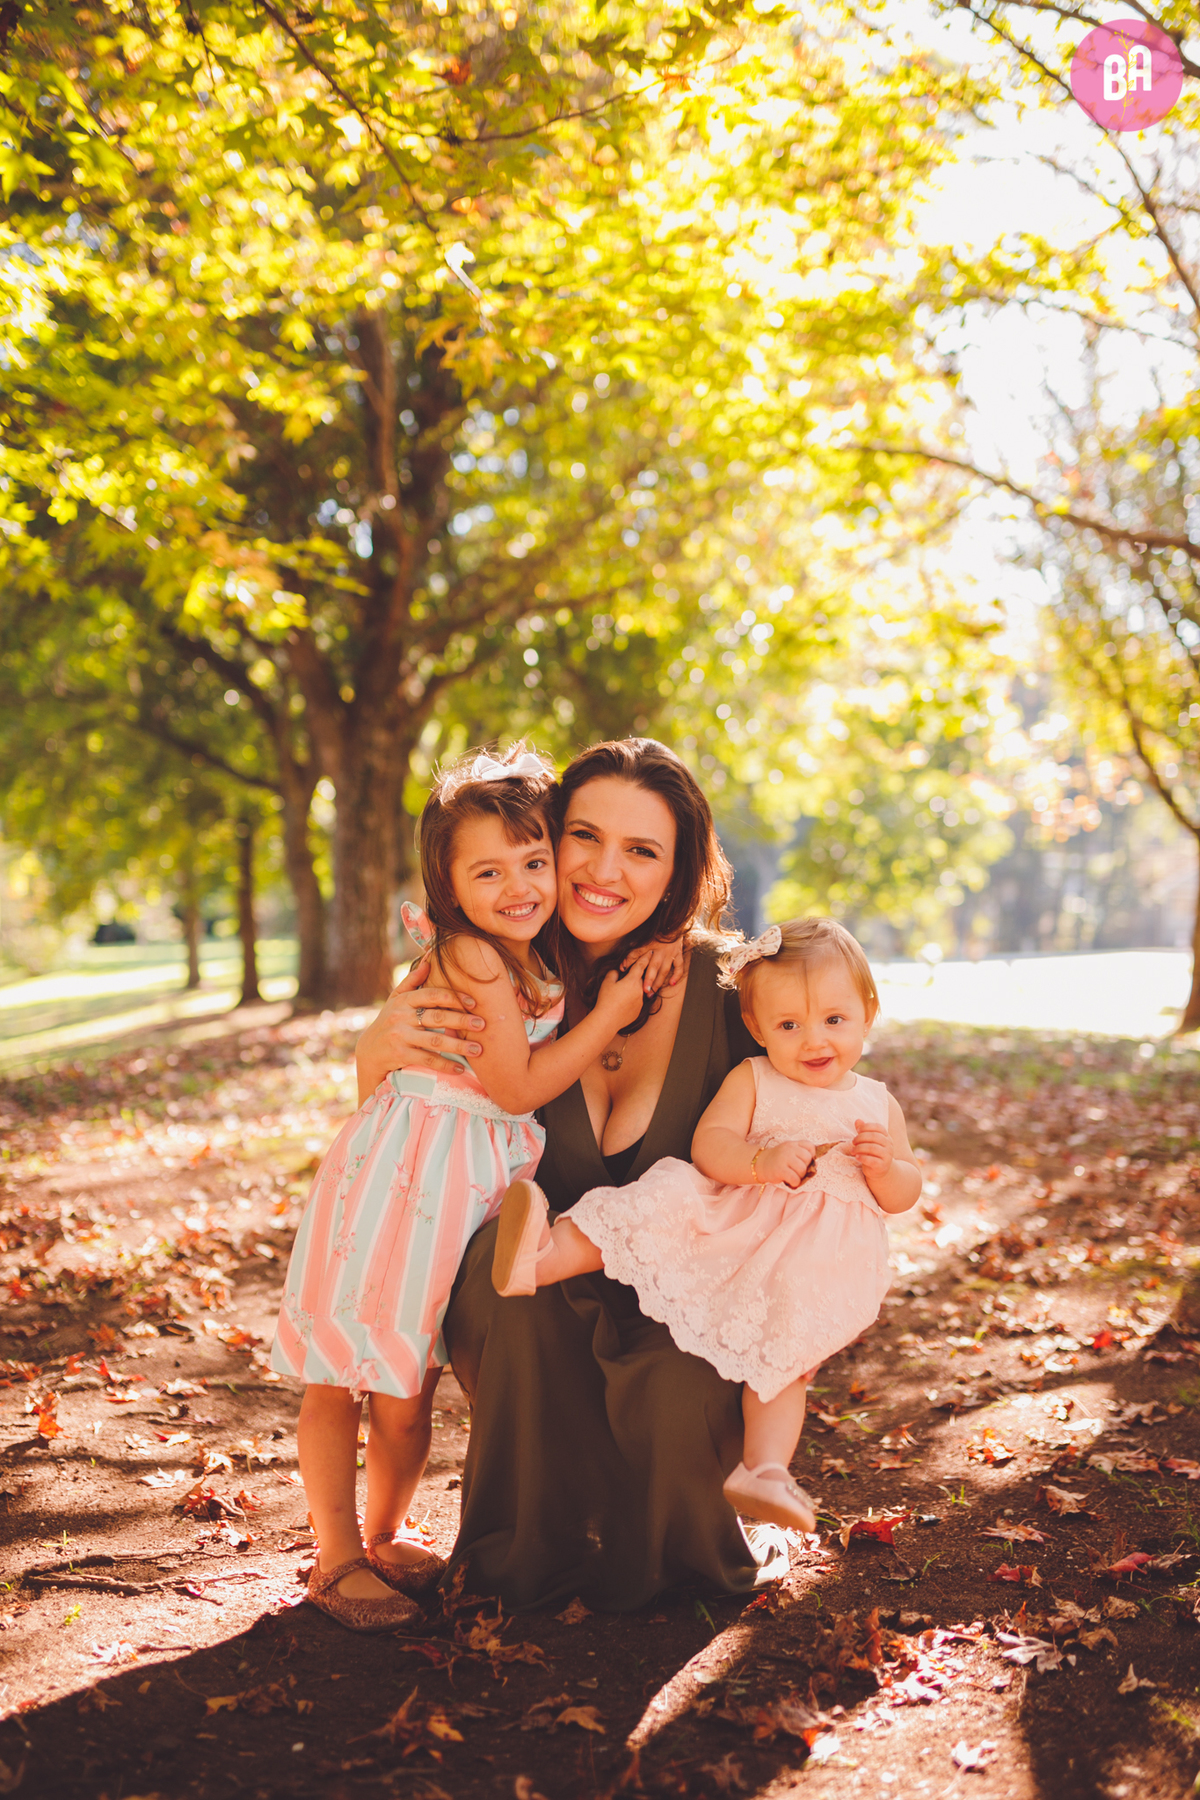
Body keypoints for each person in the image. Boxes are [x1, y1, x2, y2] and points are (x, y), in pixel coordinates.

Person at [354, 738, 795, 1611]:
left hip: (687, 1302)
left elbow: (819, 1108)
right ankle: (519, 1548)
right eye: (583, 837)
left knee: (673, 1464)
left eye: (642, 851)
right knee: (496, 1273)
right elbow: (392, 1118)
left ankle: (662, 1526)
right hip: (531, 1309)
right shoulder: (501, 966)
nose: (602, 871)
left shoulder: (728, 985)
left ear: (677, 872)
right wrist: (373, 1049)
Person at [271, 744, 655, 1631]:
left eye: (533, 862)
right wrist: (608, 1018)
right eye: (489, 871)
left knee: (406, 1394)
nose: (519, 885)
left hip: (451, 1193)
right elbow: (517, 1088)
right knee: (341, 1378)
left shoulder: (530, 955)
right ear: (448, 889)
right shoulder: (478, 959)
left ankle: (384, 1535)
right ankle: (333, 1561)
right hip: (397, 1188)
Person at [492, 916, 923, 1534]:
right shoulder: (755, 1078)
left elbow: (906, 1190)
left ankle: (765, 1469)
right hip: (735, 1215)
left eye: (833, 1020)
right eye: (788, 1025)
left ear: (867, 1012)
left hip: (811, 1262)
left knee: (788, 1353)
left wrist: (886, 1171)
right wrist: (760, 1162)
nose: (813, 1040)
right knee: (661, 1200)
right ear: (755, 1029)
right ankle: (543, 1255)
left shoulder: (877, 1102)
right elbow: (709, 1145)